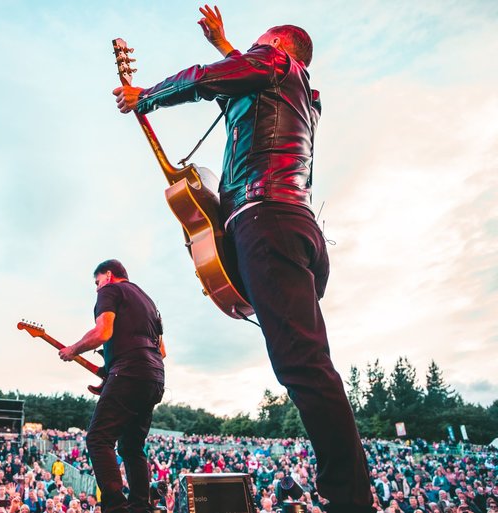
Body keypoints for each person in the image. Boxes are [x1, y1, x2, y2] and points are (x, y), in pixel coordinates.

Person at [112, 5, 373, 513]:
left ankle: (350, 501)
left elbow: (212, 79)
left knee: (304, 366)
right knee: (305, 364)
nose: (250, 52)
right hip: (293, 228)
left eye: (258, 46)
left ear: (276, 47)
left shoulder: (272, 65)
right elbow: (243, 78)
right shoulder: (296, 91)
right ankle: (349, 493)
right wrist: (226, 45)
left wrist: (147, 96)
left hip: (266, 222)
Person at [58, 259, 165, 513]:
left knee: (98, 438)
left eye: (97, 282)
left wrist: (73, 349)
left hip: (130, 372)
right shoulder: (149, 302)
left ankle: (116, 507)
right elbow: (161, 350)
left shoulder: (110, 290)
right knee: (131, 446)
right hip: (154, 376)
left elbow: (103, 332)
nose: (96, 288)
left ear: (108, 275)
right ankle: (141, 506)